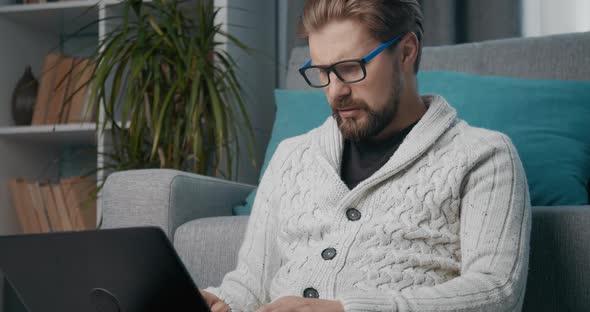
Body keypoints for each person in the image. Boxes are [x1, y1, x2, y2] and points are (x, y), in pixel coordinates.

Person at [200, 0, 531, 311]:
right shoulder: (292, 156)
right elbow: (251, 285)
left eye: (349, 67)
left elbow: (497, 292)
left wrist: (348, 309)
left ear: (406, 52)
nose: (335, 91)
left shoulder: (483, 155)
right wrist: (223, 300)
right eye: (322, 72)